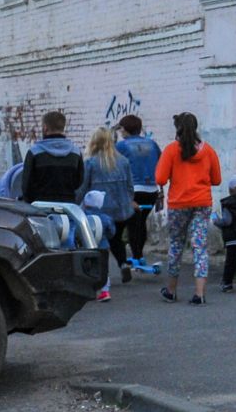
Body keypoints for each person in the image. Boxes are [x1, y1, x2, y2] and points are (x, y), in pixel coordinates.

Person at [154, 112, 221, 306]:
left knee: (176, 244)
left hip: (178, 204)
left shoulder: (172, 150)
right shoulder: (208, 151)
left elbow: (160, 178)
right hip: (202, 203)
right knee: (200, 247)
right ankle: (199, 293)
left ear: (177, 128)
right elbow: (216, 180)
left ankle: (171, 290)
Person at [77, 127, 135, 301]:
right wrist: (128, 201)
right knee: (117, 240)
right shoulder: (123, 161)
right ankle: (123, 263)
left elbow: (83, 187)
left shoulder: (91, 163)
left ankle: (104, 278)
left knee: (100, 243)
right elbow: (130, 186)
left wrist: (76, 204)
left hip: (100, 211)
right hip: (121, 209)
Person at [115, 115, 164, 270]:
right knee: (140, 223)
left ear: (126, 129)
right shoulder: (152, 144)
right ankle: (139, 255)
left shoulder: (121, 146)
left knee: (127, 225)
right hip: (151, 191)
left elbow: (115, 165)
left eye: (121, 128)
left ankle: (133, 258)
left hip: (133, 190)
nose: (120, 131)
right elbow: (161, 161)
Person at [14, 111, 84, 205]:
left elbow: (26, 186)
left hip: (40, 208)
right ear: (63, 127)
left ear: (45, 127)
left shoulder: (34, 152)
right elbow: (80, 183)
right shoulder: (76, 153)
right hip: (68, 207)